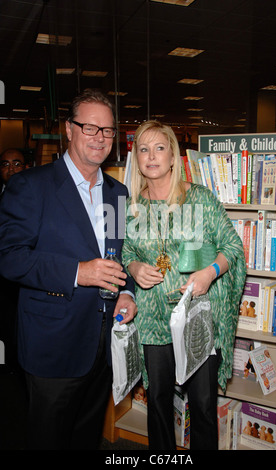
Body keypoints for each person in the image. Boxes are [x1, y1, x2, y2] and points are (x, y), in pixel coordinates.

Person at [0, 88, 137, 450]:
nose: (99, 138)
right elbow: (10, 257)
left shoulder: (118, 194)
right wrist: (78, 272)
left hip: (103, 344)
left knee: (86, 438)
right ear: (69, 130)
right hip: (53, 347)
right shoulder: (30, 186)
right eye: (89, 127)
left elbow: (120, 255)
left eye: (107, 130)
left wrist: (126, 292)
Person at [121, 120, 246, 450]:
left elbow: (232, 248)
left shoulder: (200, 198)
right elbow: (126, 254)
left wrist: (209, 273)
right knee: (158, 405)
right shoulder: (132, 206)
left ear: (174, 156)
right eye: (143, 149)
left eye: (159, 148)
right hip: (153, 320)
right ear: (137, 158)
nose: (151, 156)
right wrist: (134, 267)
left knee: (202, 406)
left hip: (196, 320)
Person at [0, 149, 26, 373]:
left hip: (22, 280)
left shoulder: (33, 197)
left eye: (16, 164)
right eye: (6, 164)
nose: (11, 169)